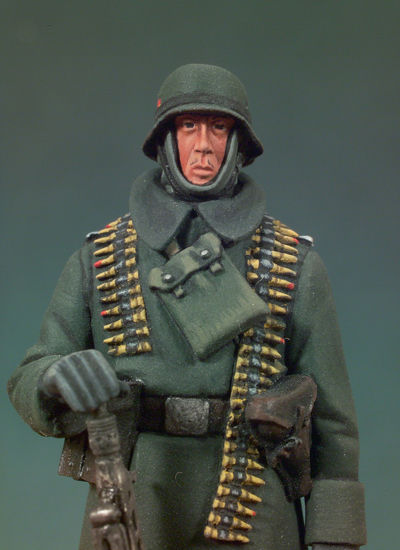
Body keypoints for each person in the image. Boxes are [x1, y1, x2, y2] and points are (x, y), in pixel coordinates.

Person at [7, 64, 366, 550]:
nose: (203, 145)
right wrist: (54, 377)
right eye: (188, 126)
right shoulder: (100, 257)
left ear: (237, 143)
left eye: (218, 128)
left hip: (252, 493)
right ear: (165, 139)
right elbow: (30, 373)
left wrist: (334, 533)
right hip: (140, 488)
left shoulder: (293, 262)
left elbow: (334, 420)